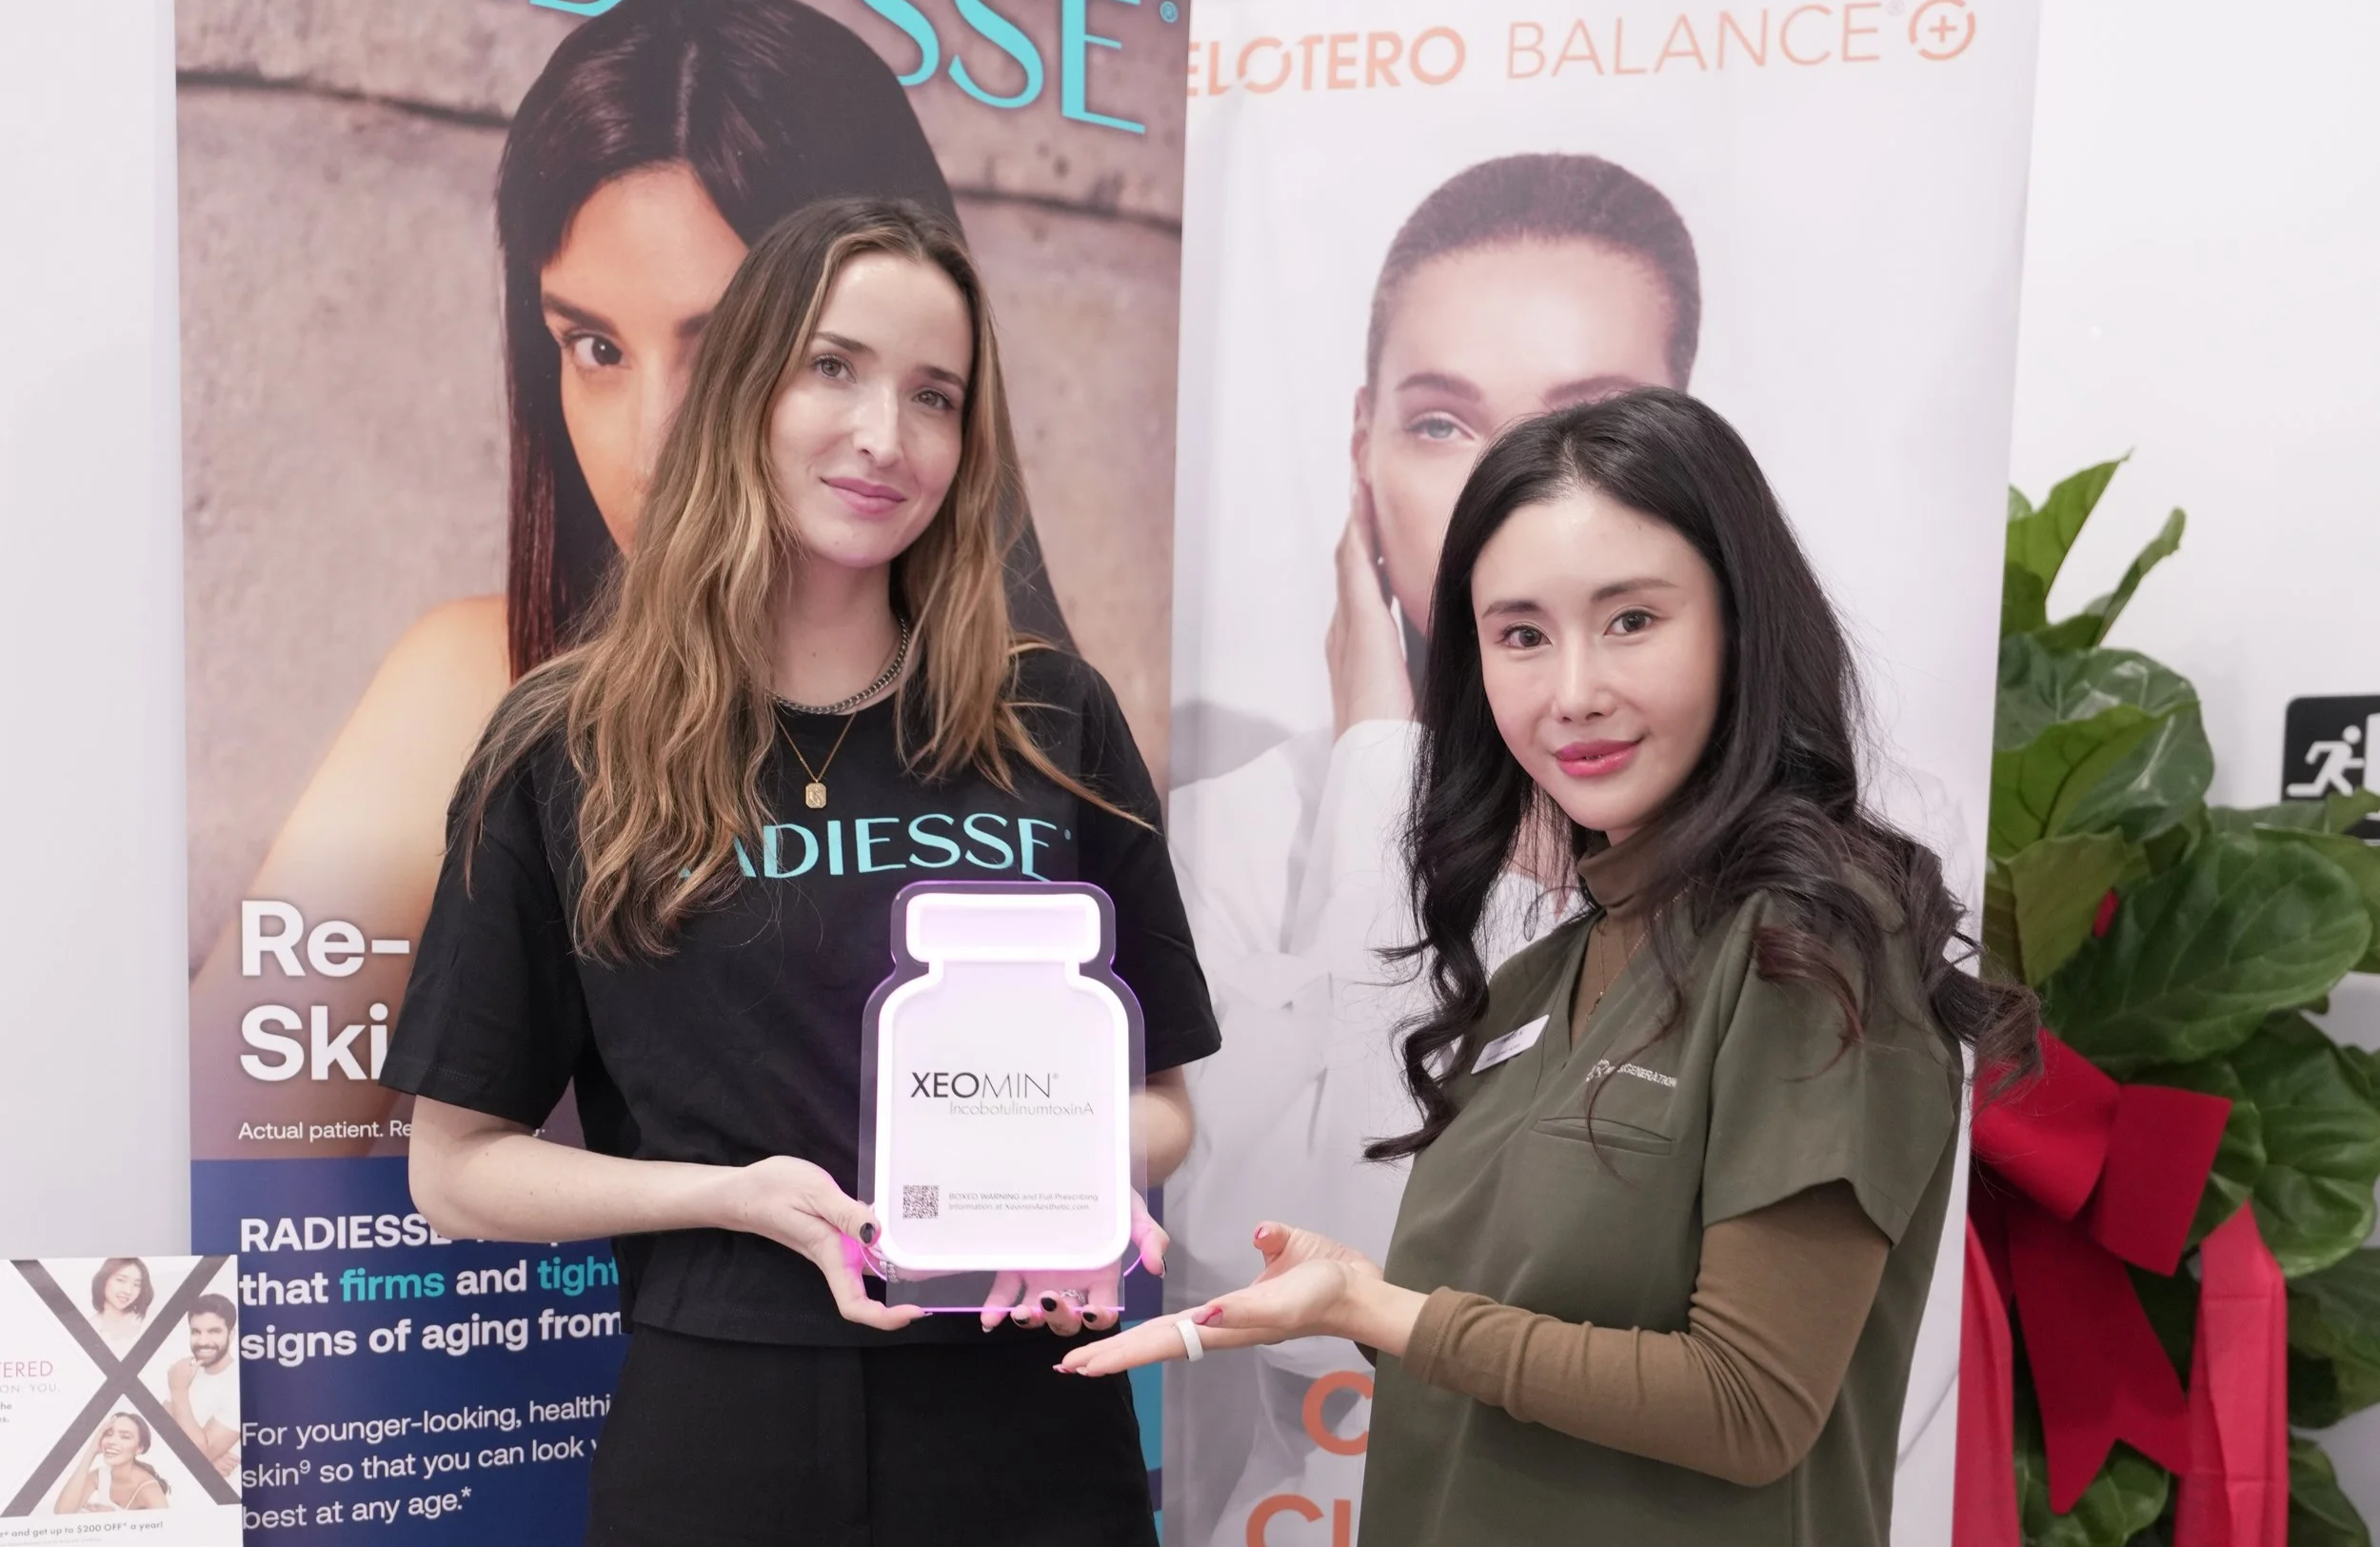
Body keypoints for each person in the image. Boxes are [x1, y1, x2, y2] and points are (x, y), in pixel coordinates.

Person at [387, 197, 1219, 1547]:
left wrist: (1061, 1194)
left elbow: (1164, 1101)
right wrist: (730, 1199)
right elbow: (460, 1167)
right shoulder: (569, 741)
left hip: (1027, 1419)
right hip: (721, 1432)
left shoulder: (1050, 721)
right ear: (745, 392)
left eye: (935, 395)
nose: (887, 436)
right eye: (833, 368)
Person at [1070, 390, 2038, 1546]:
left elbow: (1749, 1403)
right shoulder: (1564, 952)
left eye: (1630, 620)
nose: (1571, 691)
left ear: (1738, 621)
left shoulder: (1812, 937)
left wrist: (1390, 1314)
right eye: (1520, 634)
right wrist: (1362, 1290)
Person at [189, 0, 1075, 1148]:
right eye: (593, 347)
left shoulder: (1037, 727)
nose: (650, 442)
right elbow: (230, 1188)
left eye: (731, 351)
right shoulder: (488, 683)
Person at [1161, 151, 1700, 1537]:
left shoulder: (1788, 870)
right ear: (1363, 453)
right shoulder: (1233, 831)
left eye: (1586, 426)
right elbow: (1270, 1290)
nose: (1506, 497)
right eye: (1446, 424)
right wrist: (1379, 779)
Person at [167, 1295, 240, 1479]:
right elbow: (158, 1427)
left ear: (231, 1334)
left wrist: (179, 1391)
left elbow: (200, 1454)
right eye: (196, 1332)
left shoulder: (238, 1383)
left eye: (214, 1331)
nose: (202, 1341)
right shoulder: (184, 1371)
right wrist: (209, 1458)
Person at [52, 1413, 170, 1513]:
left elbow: (166, 1535)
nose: (112, 1441)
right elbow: (62, 1512)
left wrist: (112, 1517)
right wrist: (91, 1451)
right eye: (108, 1434)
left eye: (125, 1437)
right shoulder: (100, 1476)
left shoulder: (149, 1489)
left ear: (139, 1448)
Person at [87, 1258, 154, 1359]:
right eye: (121, 1280)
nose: (128, 1291)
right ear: (104, 1279)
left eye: (137, 1285)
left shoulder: (146, 1324)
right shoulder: (89, 1327)